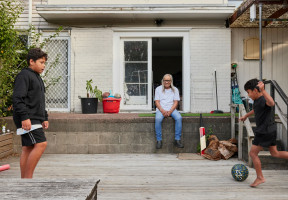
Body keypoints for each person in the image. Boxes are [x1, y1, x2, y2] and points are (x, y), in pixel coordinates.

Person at [240, 79, 288, 187]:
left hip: (264, 131)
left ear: (255, 91)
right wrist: (246, 116)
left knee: (252, 154)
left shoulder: (263, 99)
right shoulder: (257, 100)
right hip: (270, 130)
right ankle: (260, 177)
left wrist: (263, 91)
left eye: (248, 92)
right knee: (275, 153)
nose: (248, 95)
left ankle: (260, 177)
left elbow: (271, 103)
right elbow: (255, 110)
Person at [13, 48, 49, 179]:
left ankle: (24, 181)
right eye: (41, 62)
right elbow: (18, 98)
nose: (43, 66)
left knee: (27, 148)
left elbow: (40, 99)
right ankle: (28, 180)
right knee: (41, 143)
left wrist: (44, 117)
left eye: (44, 63)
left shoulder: (37, 77)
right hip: (27, 117)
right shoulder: (24, 76)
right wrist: (24, 117)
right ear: (31, 61)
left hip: (34, 117)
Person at [154, 74, 184, 149]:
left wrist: (170, 111)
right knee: (158, 119)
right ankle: (159, 140)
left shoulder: (175, 89)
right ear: (163, 81)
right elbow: (157, 102)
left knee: (179, 118)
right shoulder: (158, 89)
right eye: (165, 80)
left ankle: (177, 140)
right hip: (161, 109)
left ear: (171, 81)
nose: (166, 82)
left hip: (172, 109)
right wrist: (162, 110)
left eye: (168, 80)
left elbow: (176, 102)